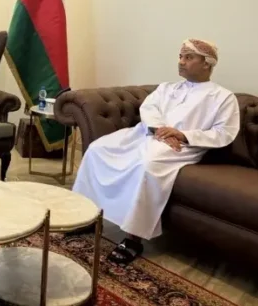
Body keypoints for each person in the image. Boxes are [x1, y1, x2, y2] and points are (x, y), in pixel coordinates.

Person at [72, 38, 240, 264]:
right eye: (180, 56)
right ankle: (86, 215)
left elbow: (224, 133)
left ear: (207, 63)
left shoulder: (223, 97)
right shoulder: (167, 88)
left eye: (188, 57)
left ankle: (133, 238)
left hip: (183, 147)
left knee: (148, 164)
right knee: (98, 149)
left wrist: (182, 135)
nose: (181, 62)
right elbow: (149, 108)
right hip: (147, 134)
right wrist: (161, 130)